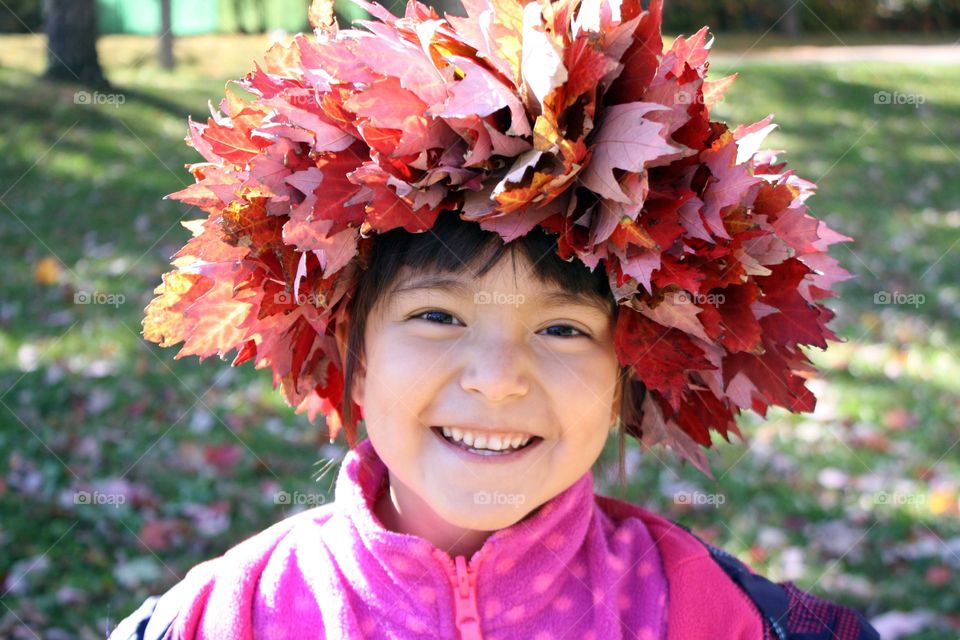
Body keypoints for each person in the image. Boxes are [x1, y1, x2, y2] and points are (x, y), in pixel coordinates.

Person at [111, 0, 879, 637]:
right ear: (355, 346)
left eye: (562, 329)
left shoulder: (701, 612)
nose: (497, 381)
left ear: (627, 370)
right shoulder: (232, 614)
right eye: (439, 316)